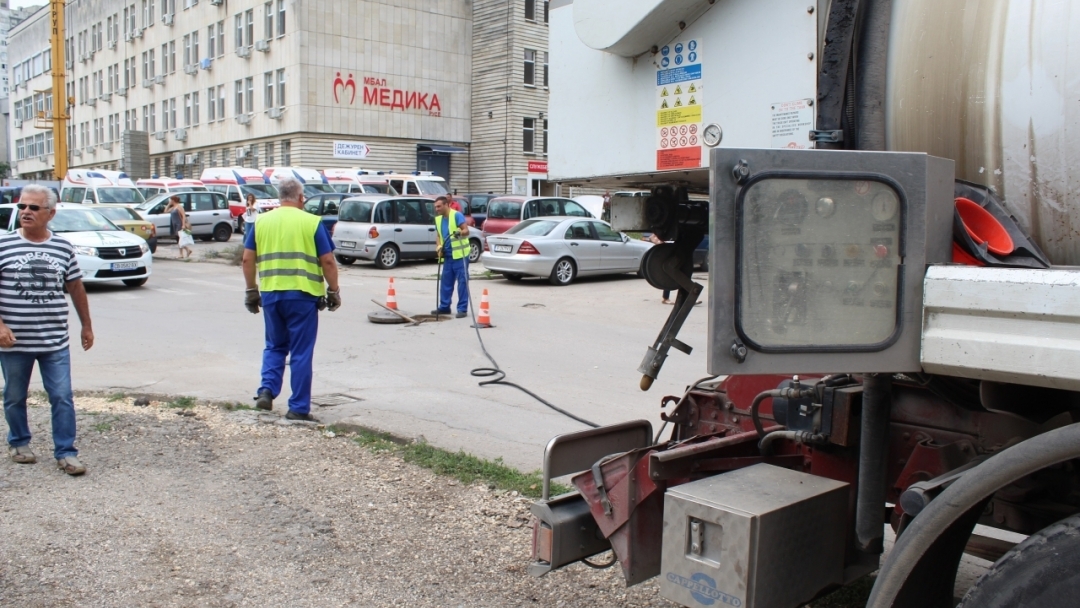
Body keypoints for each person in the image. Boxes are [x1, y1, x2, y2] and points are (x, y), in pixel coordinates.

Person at [0, 185, 94, 475]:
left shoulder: (62, 247)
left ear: (50, 213)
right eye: (22, 206)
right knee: (15, 395)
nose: (25, 211)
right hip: (14, 343)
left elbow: (75, 287)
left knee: (62, 396)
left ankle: (66, 452)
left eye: (33, 207)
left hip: (54, 341)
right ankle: (19, 442)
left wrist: (86, 326)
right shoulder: (3, 245)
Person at [242, 177, 341, 421]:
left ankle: (266, 390)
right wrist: (334, 290)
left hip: (272, 294)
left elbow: (247, 259)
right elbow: (328, 261)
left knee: (275, 345)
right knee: (300, 352)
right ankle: (297, 407)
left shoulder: (262, 221)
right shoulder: (311, 222)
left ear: (279, 197)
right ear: (300, 197)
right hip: (303, 297)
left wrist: (251, 290)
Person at [432, 195, 470, 318]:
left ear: (446, 205)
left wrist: (460, 232)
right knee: (446, 283)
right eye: (435, 207)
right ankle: (444, 307)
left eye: (439, 206)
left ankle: (462, 309)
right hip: (448, 256)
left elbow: (466, 230)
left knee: (462, 282)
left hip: (460, 255)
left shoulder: (456, 215)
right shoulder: (438, 220)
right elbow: (438, 236)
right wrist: (438, 247)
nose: (437, 209)